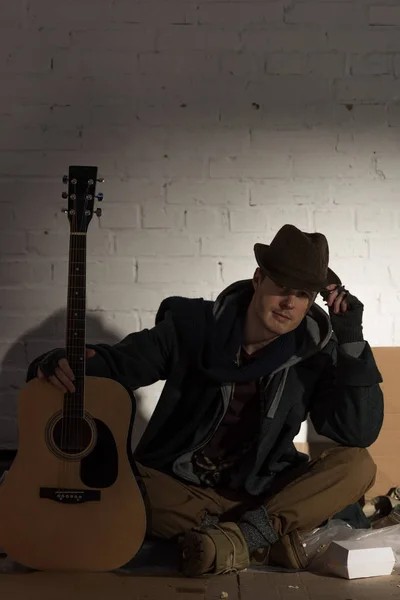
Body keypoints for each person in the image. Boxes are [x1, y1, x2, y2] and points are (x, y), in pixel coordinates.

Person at [27, 224, 383, 576]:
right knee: (113, 485)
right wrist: (62, 362)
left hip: (262, 493)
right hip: (179, 491)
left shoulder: (316, 354)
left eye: (303, 294)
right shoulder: (193, 328)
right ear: (259, 279)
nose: (290, 303)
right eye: (282, 287)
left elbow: (357, 433)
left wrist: (351, 339)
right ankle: (258, 542)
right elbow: (120, 364)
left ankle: (239, 538)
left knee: (357, 465)